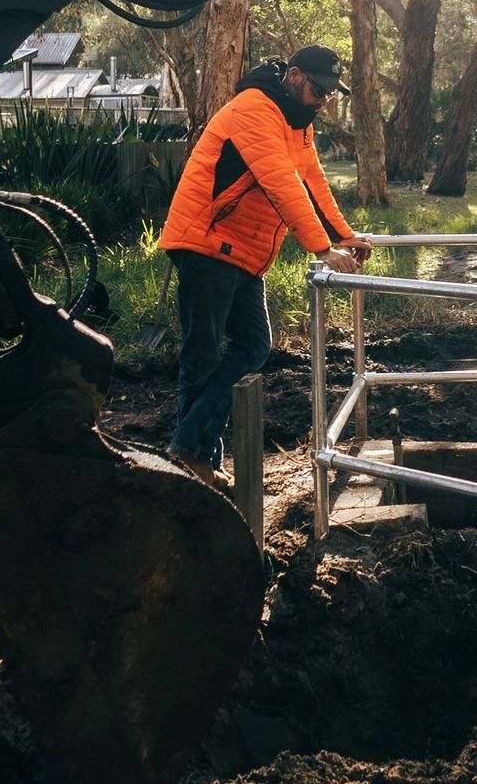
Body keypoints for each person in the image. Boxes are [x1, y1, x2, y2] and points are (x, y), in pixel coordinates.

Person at [157, 45, 371, 483]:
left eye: (330, 93)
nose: (324, 100)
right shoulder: (255, 108)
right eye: (318, 89)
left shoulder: (298, 122)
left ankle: (190, 451)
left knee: (253, 346)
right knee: (201, 354)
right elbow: (280, 181)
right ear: (294, 76)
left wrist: (342, 235)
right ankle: (193, 458)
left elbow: (313, 181)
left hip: (244, 252)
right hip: (206, 243)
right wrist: (320, 248)